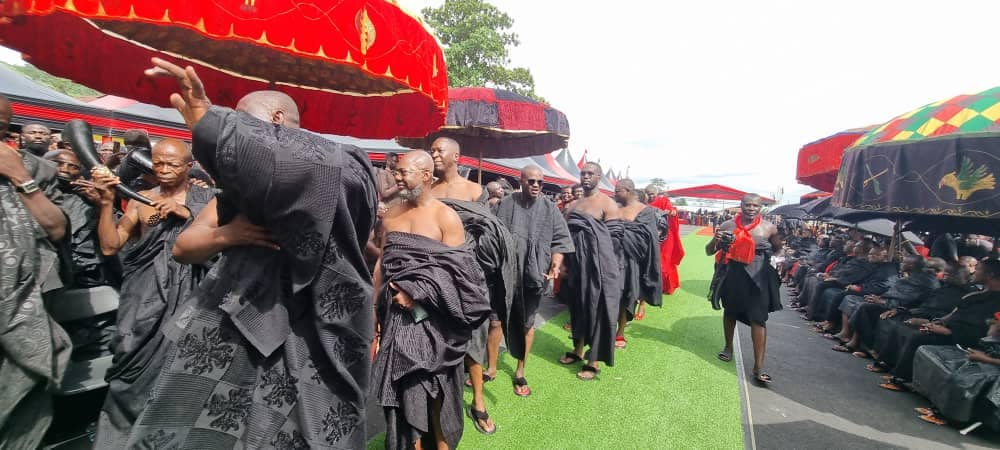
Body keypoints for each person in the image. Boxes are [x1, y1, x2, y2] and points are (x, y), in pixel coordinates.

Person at [123, 58, 377, 449]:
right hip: (236, 324)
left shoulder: (340, 166)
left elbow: (310, 166)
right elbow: (183, 247)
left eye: (245, 122)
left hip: (311, 335)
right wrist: (230, 234)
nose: (235, 131)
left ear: (276, 119)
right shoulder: (239, 198)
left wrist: (214, 125)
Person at [89, 138, 216, 448]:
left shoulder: (207, 199)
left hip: (188, 297)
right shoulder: (140, 199)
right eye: (158, 163)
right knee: (130, 364)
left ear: (188, 167)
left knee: (176, 371)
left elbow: (220, 244)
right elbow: (110, 245)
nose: (164, 170)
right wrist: (106, 204)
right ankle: (117, 436)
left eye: (173, 164)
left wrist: (187, 213)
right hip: (142, 298)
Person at [373, 151, 492, 450]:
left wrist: (418, 296)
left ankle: (441, 442)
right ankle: (409, 443)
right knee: (403, 386)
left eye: (403, 173)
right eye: (396, 172)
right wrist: (376, 308)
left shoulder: (445, 217)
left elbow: (461, 276)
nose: (396, 177)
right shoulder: (391, 214)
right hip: (395, 317)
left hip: (435, 320)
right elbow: (382, 263)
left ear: (425, 175)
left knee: (437, 386)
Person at [0, 94, 72, 449]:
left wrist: (19, 177)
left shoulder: (35, 168)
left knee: (21, 395)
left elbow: (57, 228)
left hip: (27, 299)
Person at [429, 136, 514, 435]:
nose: (434, 154)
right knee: (435, 342)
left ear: (456, 156)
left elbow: (489, 236)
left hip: (468, 278)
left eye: (440, 151)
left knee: (472, 343)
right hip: (433, 277)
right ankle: (434, 404)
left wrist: (468, 251)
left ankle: (478, 401)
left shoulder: (476, 191)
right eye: (432, 150)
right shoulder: (427, 190)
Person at [495, 165, 574, 397]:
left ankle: (520, 369)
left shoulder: (550, 209)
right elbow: (491, 232)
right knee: (495, 322)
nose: (536, 185)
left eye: (540, 181)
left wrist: (556, 263)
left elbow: (560, 241)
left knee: (527, 323)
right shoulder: (506, 203)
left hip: (535, 274)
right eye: (531, 181)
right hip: (506, 272)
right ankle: (490, 367)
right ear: (521, 181)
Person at [707, 193, 782, 384]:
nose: (751, 208)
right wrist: (717, 240)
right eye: (747, 205)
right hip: (733, 275)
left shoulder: (769, 227)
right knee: (730, 312)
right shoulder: (727, 225)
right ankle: (728, 347)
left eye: (755, 206)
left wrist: (768, 259)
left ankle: (758, 367)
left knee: (758, 319)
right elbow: (709, 251)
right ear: (741, 205)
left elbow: (777, 249)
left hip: (758, 278)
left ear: (760, 207)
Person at [559, 162, 622, 381]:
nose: (585, 177)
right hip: (576, 267)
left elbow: (614, 241)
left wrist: (602, 268)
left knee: (596, 311)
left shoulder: (608, 204)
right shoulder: (573, 204)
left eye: (590, 174)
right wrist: (564, 264)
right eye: (583, 173)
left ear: (599, 177)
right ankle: (577, 350)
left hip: (599, 269)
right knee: (576, 309)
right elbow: (564, 236)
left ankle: (593, 360)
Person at [613, 179, 662, 346]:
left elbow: (645, 239)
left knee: (625, 297)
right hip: (608, 258)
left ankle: (620, 332)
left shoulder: (645, 211)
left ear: (627, 190)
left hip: (630, 262)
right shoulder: (613, 207)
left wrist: (619, 232)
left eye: (617, 191)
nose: (614, 193)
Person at [646, 184, 685, 295]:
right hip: (651, 236)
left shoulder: (663, 201)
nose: (650, 197)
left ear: (657, 194)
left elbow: (672, 210)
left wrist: (671, 211)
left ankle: (667, 286)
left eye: (652, 194)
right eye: (648, 195)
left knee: (665, 262)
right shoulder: (644, 202)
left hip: (666, 236)